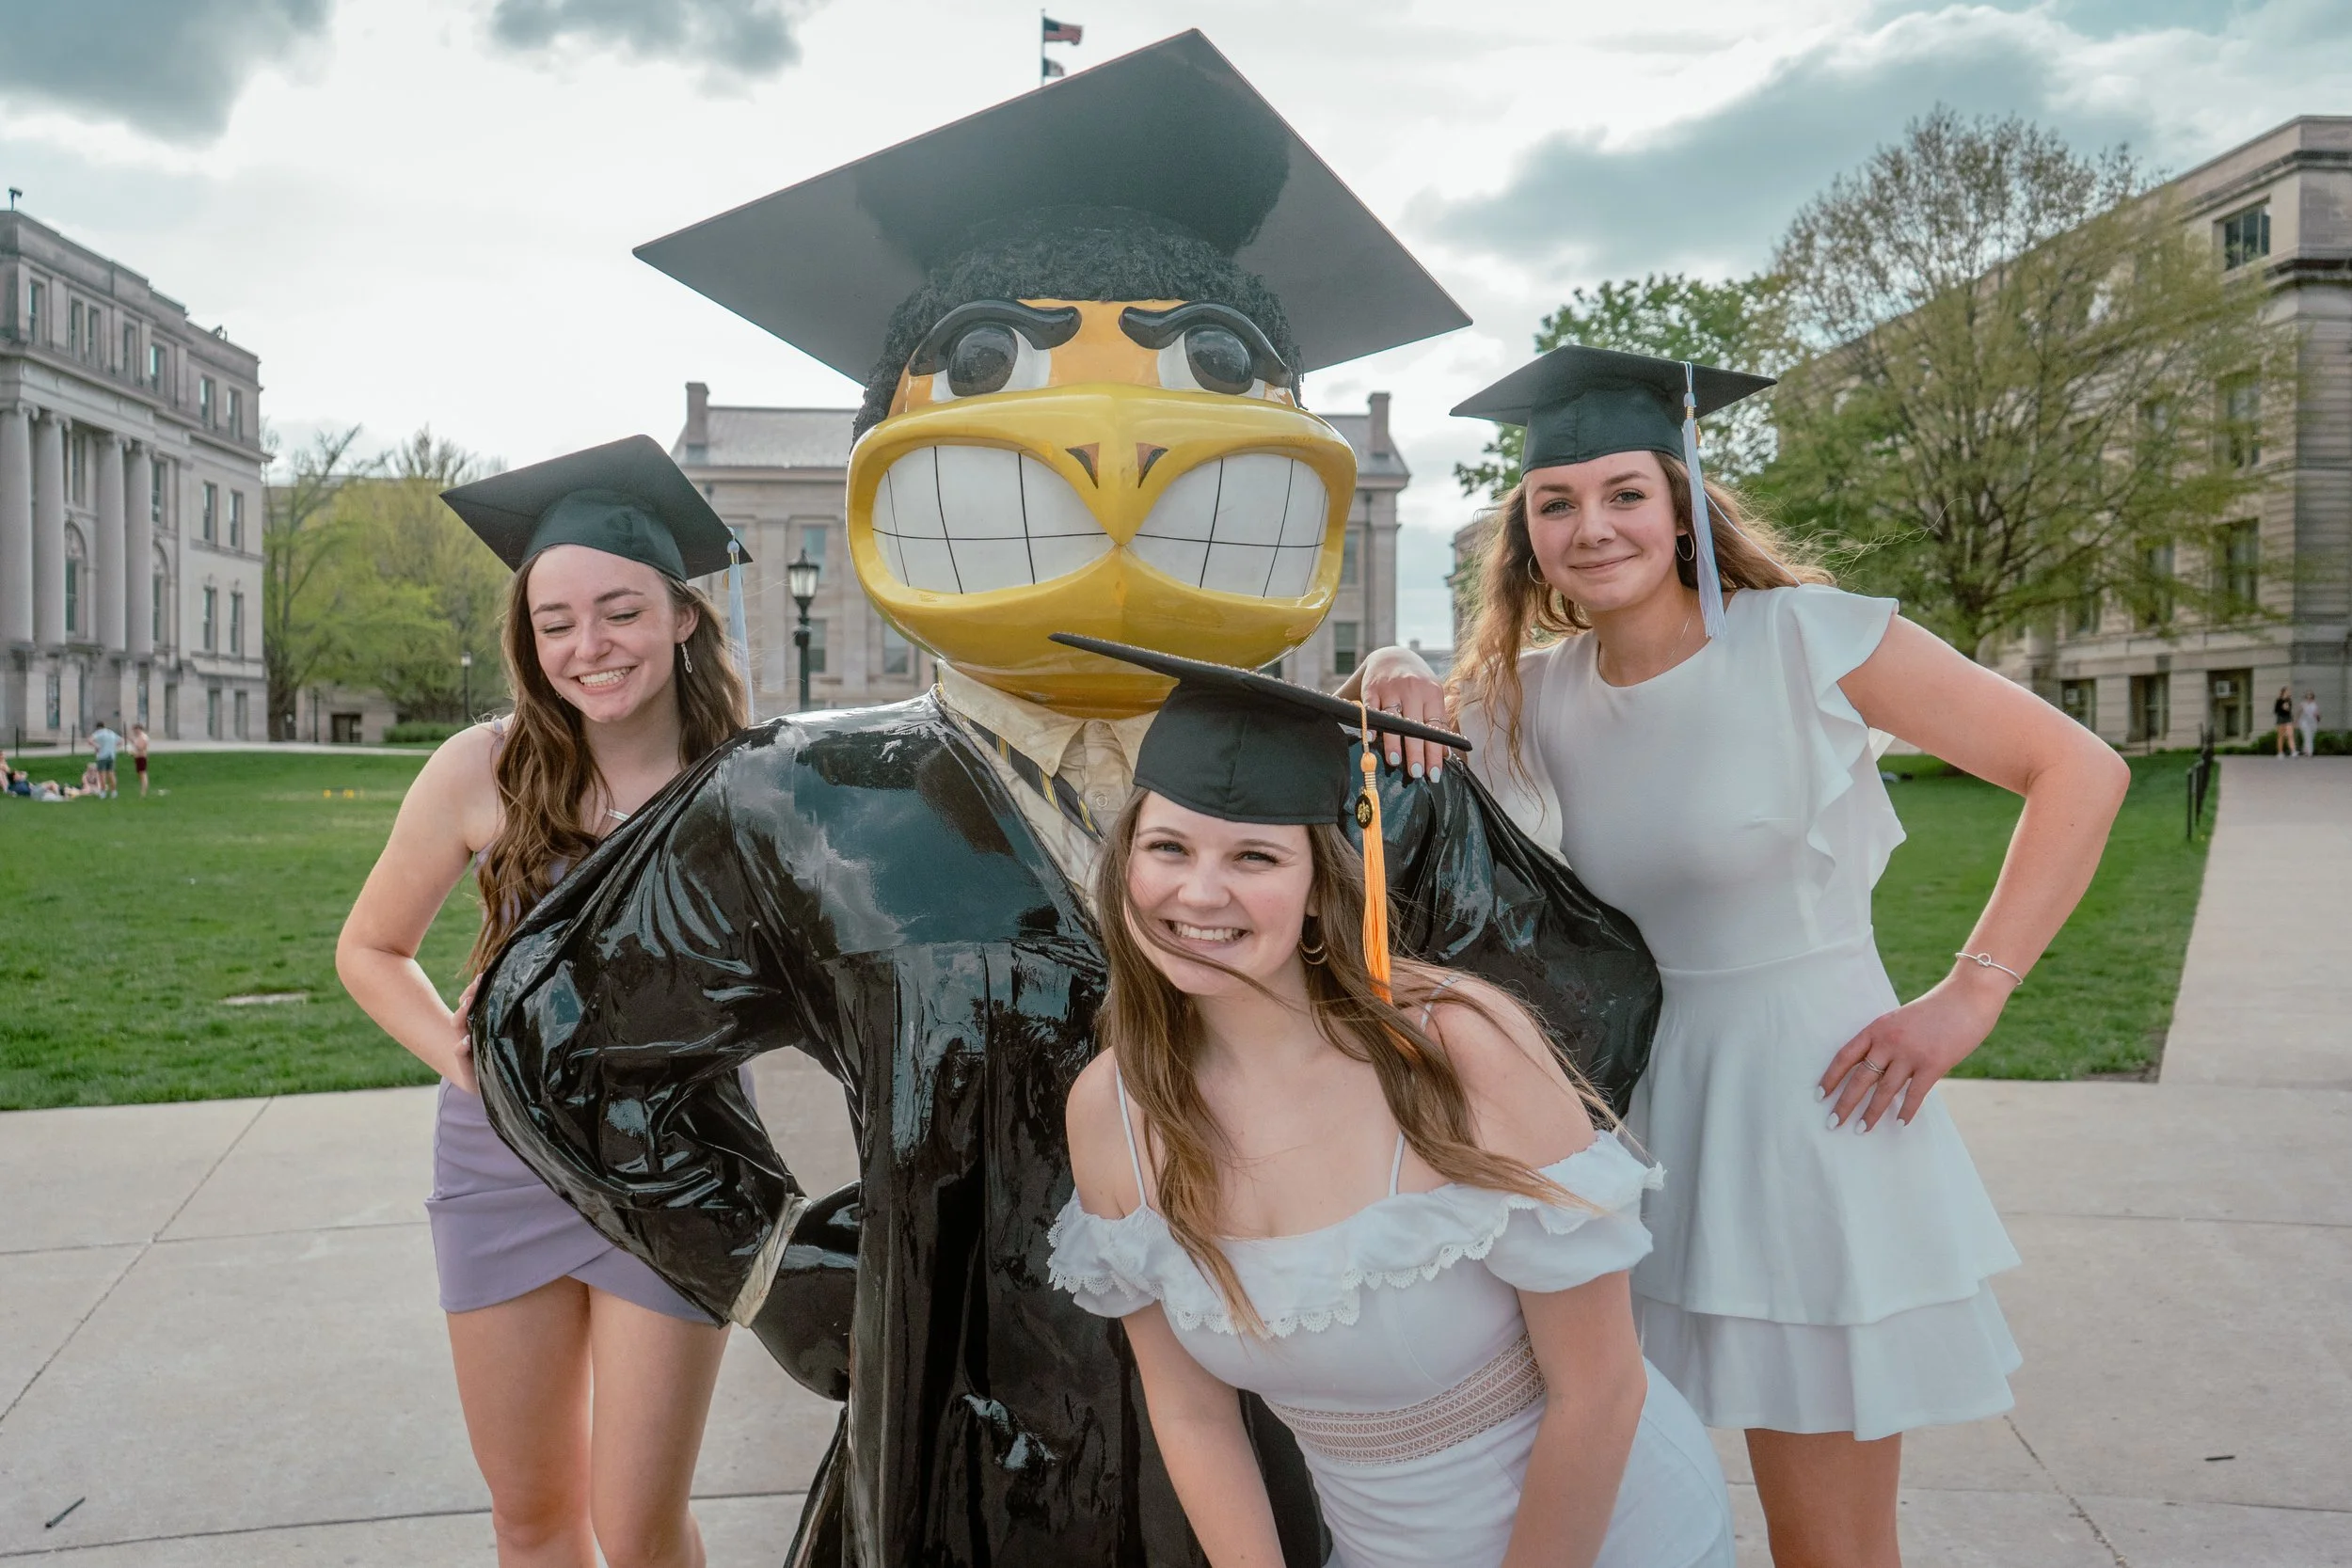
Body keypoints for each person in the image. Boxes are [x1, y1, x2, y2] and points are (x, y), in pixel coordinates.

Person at [466, 34, 1661, 1567]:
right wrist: (772, 1259)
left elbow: (1580, 1000)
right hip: (964, 1430)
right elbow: (558, 1031)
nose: (1112, 456)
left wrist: (1418, 1226)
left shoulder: (1364, 791)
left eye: (1208, 374)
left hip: (1298, 1424)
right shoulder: (807, 799)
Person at [1350, 344, 2130, 1568]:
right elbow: (1410, 749)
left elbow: (2081, 769)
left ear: (1678, 507)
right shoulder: (1537, 692)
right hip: (1638, 1112)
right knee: (1613, 1487)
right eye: (1556, 502)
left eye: (1623, 494)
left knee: (1825, 1540)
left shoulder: (1808, 638)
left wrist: (1970, 996)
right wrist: (1393, 664)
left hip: (1814, 1110)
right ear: (1527, 535)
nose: (1591, 524)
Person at [1046, 638, 1735, 1568]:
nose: (1197, 892)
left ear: (1320, 888)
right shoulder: (1114, 1114)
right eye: (1167, 846)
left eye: (1254, 855)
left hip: (1602, 1530)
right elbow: (1192, 1410)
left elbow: (1599, 1389)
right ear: (1126, 860)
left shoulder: (1458, 1050)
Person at [338, 436, 751, 1568]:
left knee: (637, 1523)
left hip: (678, 1163)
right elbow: (371, 948)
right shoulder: (482, 768)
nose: (587, 647)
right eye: (555, 622)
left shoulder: (750, 780)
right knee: (530, 1516)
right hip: (502, 1164)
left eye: (618, 610)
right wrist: (465, 1057)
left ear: (680, 614)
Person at [90, 721, 121, 799]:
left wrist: (97, 746)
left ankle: (103, 792)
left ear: (98, 728)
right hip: (111, 756)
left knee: (102, 775)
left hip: (102, 756)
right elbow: (121, 741)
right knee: (111, 774)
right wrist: (113, 747)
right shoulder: (111, 732)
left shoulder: (98, 733)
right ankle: (114, 792)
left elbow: (89, 740)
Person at [2297, 690, 2320, 758]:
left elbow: (2317, 714)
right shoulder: (2303, 704)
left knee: (2310, 737)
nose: (2309, 698)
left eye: (2310, 696)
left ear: (2313, 697)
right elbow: (2299, 712)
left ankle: (2305, 751)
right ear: (2306, 697)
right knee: (2308, 737)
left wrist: (2317, 716)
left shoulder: (2315, 705)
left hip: (2313, 723)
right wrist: (2296, 721)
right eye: (2308, 696)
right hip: (2304, 722)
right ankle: (2310, 752)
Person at [2274, 686, 2296, 757]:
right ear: (2283, 692)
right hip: (2281, 718)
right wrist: (2282, 708)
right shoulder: (2279, 700)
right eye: (2287, 691)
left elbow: (2289, 710)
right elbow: (2276, 711)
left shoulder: (2289, 700)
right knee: (2281, 736)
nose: (2289, 693)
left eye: (2289, 691)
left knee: (2290, 735)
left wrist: (2287, 708)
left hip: (2288, 718)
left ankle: (2293, 751)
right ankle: (2280, 752)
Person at [131, 723, 151, 797]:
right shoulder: (138, 737)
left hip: (142, 757)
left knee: (143, 774)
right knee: (140, 774)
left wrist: (133, 742)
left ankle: (143, 791)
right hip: (138, 756)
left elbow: (141, 747)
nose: (134, 732)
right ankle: (143, 789)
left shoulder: (143, 737)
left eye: (135, 730)